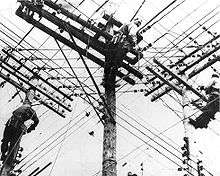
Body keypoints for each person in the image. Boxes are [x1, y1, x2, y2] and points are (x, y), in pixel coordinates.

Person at [0, 94, 39, 163]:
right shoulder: (30, 110)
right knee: (13, 143)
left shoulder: (22, 108)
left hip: (10, 125)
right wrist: (30, 129)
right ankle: (9, 158)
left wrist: (28, 128)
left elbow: (15, 113)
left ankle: (4, 155)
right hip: (16, 127)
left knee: (6, 141)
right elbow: (36, 121)